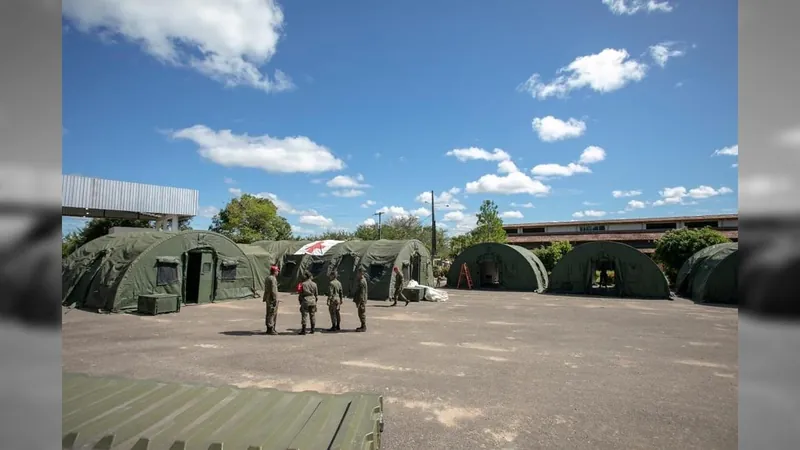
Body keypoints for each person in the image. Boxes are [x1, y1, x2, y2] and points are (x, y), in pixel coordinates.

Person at [298, 271, 319, 335]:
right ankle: (313, 329)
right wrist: (315, 301)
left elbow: (300, 294)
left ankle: (303, 330)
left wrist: (300, 301)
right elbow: (316, 294)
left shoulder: (302, 284)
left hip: (305, 300)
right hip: (313, 300)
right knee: (312, 315)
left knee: (304, 315)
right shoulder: (314, 284)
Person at [262, 265, 280, 335]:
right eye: (277, 271)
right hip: (271, 298)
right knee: (272, 313)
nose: (278, 273)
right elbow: (273, 290)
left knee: (268, 313)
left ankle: (268, 328)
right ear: (274, 272)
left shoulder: (267, 278)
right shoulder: (273, 279)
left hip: (267, 297)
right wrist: (275, 299)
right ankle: (271, 329)